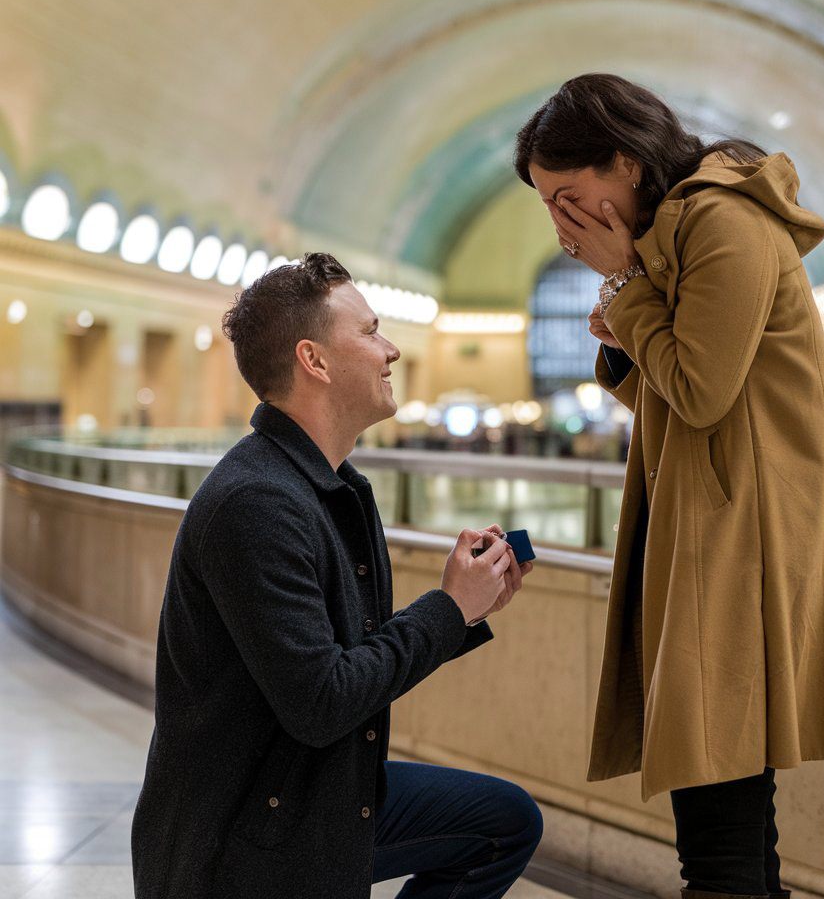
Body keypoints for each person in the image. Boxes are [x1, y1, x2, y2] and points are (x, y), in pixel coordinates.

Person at [514, 74, 824, 899]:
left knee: (716, 839)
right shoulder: (678, 232)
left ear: (625, 162)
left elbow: (702, 392)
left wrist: (624, 286)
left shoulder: (723, 219)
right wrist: (630, 310)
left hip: (741, 545)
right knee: (735, 829)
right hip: (714, 531)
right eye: (548, 206)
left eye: (570, 196)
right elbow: (679, 399)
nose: (563, 223)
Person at [131, 253, 542, 899]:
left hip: (311, 791)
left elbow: (346, 668)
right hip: (242, 840)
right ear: (313, 361)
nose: (392, 350)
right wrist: (448, 610)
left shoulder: (332, 488)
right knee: (501, 823)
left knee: (504, 821)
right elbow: (323, 703)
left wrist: (464, 604)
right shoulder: (256, 504)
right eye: (371, 331)